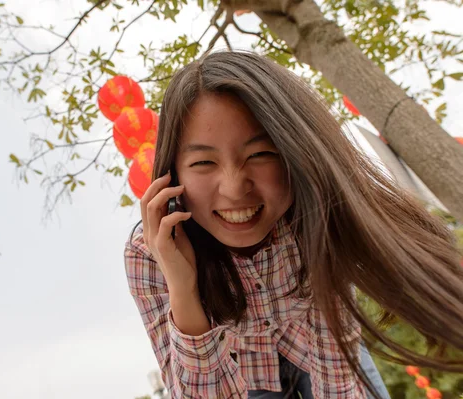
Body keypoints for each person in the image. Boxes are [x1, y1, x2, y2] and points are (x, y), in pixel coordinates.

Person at [123, 51, 463, 399]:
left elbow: (337, 373)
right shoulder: (148, 253)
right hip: (236, 368)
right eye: (204, 161)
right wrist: (183, 289)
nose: (235, 187)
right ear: (172, 174)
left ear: (294, 154)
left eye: (259, 154)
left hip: (322, 342)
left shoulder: (314, 211)